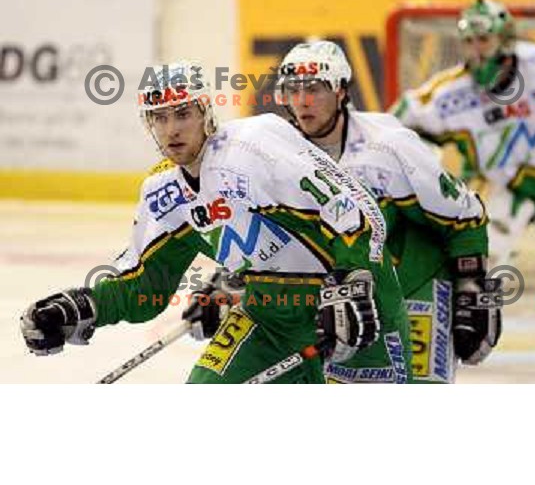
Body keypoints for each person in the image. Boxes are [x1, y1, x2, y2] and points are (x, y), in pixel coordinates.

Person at [20, 61, 411, 384]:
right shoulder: (163, 193)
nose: (172, 128)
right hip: (269, 316)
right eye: (159, 118)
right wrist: (82, 307)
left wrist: (354, 283)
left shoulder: (255, 147)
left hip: (358, 309)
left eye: (182, 114)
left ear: (206, 113)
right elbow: (146, 283)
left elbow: (355, 212)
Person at [277, 41, 499, 383]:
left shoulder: (389, 146)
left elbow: (463, 214)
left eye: (315, 89)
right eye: (293, 90)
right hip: (347, 296)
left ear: (340, 92)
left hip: (416, 287)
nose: (303, 101)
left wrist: (472, 283)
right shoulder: (278, 154)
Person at [391, 0, 535, 275]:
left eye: (484, 40)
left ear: (505, 40)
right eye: (469, 41)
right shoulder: (449, 95)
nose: (476, 51)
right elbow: (393, 125)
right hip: (504, 195)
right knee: (478, 261)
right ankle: (472, 311)